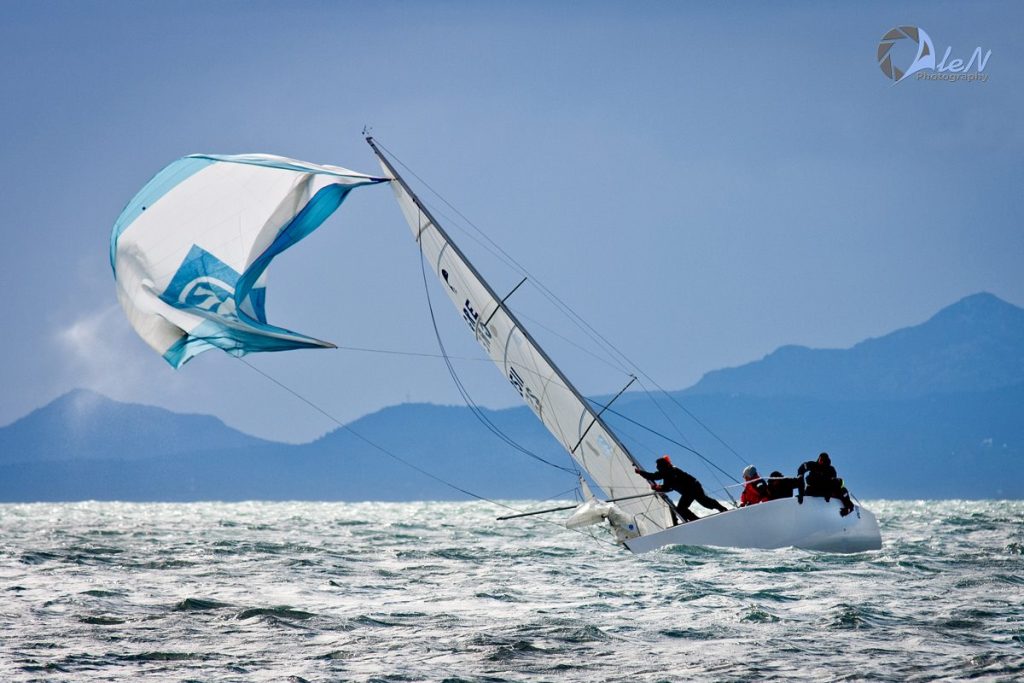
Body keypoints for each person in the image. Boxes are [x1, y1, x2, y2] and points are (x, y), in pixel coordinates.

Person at [634, 455, 729, 523]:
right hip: (689, 490)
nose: (657, 468)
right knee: (683, 508)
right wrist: (658, 488)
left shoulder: (670, 471)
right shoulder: (667, 472)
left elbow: (656, 478)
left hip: (693, 488)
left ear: (663, 466)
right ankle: (695, 521)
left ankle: (721, 509)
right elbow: (668, 486)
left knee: (703, 502)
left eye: (658, 467)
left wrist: (640, 472)